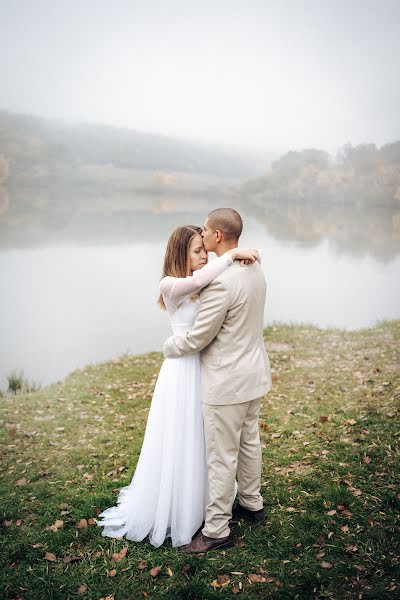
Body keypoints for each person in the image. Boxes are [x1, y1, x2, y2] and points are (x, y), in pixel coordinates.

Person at [97, 223, 259, 548]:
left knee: (205, 437)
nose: (203, 256)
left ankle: (205, 502)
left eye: (204, 249)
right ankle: (178, 505)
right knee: (182, 434)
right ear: (180, 254)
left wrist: (236, 263)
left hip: (205, 369)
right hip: (181, 371)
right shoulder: (171, 284)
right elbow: (199, 280)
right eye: (197, 251)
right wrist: (231, 255)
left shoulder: (206, 282)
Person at [163, 208, 272, 554]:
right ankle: (252, 503)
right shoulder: (253, 267)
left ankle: (215, 530)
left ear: (218, 236)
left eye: (207, 232)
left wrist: (169, 346)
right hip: (254, 375)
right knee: (249, 442)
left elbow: (197, 338)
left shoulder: (219, 284)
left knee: (221, 456)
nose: (204, 237)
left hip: (227, 383)